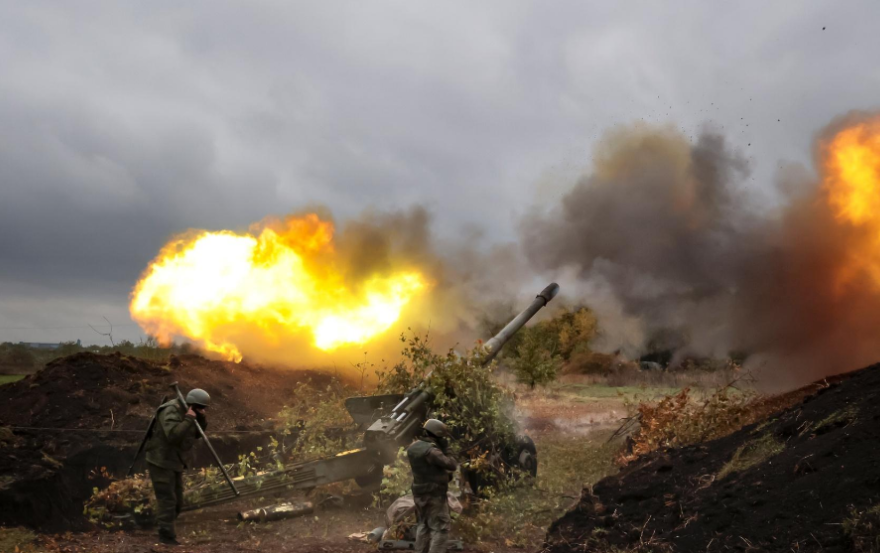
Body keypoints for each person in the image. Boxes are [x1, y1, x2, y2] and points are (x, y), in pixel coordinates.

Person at [145, 388, 210, 546]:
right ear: (191, 404)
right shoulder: (171, 410)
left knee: (178, 501)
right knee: (168, 499)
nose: (202, 410)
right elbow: (173, 435)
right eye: (200, 407)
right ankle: (166, 536)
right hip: (160, 460)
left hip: (175, 461)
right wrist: (188, 419)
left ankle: (164, 525)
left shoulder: (190, 411)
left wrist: (200, 419)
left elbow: (195, 434)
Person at [406, 418, 458, 553]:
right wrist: (447, 449)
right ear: (437, 435)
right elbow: (452, 464)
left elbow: (429, 469)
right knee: (440, 529)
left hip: (419, 494)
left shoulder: (414, 447)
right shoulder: (432, 451)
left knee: (424, 526)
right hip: (434, 495)